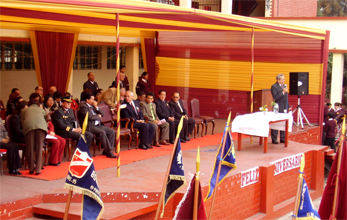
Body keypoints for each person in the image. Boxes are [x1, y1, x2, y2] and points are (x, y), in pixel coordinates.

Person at [78, 93, 116, 158]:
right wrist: (98, 116)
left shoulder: (93, 106)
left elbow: (102, 114)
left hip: (97, 125)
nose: (94, 101)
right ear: (87, 100)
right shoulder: (83, 107)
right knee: (102, 132)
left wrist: (96, 107)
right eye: (92, 99)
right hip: (89, 126)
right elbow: (89, 117)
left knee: (111, 131)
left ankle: (106, 150)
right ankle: (109, 151)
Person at [21, 93, 47, 175]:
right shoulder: (42, 110)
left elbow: (22, 121)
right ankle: (38, 169)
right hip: (41, 128)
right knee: (39, 148)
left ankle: (31, 168)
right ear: (38, 104)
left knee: (30, 148)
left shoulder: (24, 110)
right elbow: (46, 119)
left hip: (29, 128)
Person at [270, 74, 288, 144]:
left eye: (284, 79)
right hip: (278, 106)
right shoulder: (274, 86)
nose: (284, 80)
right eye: (282, 79)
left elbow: (286, 97)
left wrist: (288, 106)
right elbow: (275, 97)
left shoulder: (284, 86)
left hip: (284, 106)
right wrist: (282, 92)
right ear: (278, 80)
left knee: (283, 122)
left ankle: (282, 138)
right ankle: (274, 139)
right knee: (276, 122)